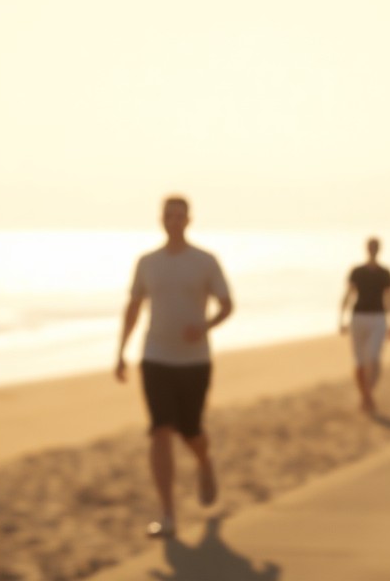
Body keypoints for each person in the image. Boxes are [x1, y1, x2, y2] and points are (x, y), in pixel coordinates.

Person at [115, 195, 234, 539]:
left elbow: (227, 305)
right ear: (161, 219)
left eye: (180, 215)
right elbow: (134, 306)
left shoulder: (205, 261)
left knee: (190, 431)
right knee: (160, 430)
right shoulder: (147, 262)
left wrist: (206, 327)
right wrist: (120, 351)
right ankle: (167, 514)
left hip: (195, 360)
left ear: (189, 219)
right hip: (154, 357)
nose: (174, 220)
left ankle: (204, 461)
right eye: (169, 215)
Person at [338, 237, 390, 414]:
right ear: (367, 249)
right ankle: (366, 397)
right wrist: (341, 319)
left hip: (379, 317)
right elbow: (348, 295)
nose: (373, 250)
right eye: (371, 247)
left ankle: (367, 395)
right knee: (359, 361)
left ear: (379, 249)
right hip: (358, 317)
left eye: (375, 247)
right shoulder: (357, 271)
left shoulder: (385, 273)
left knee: (373, 358)